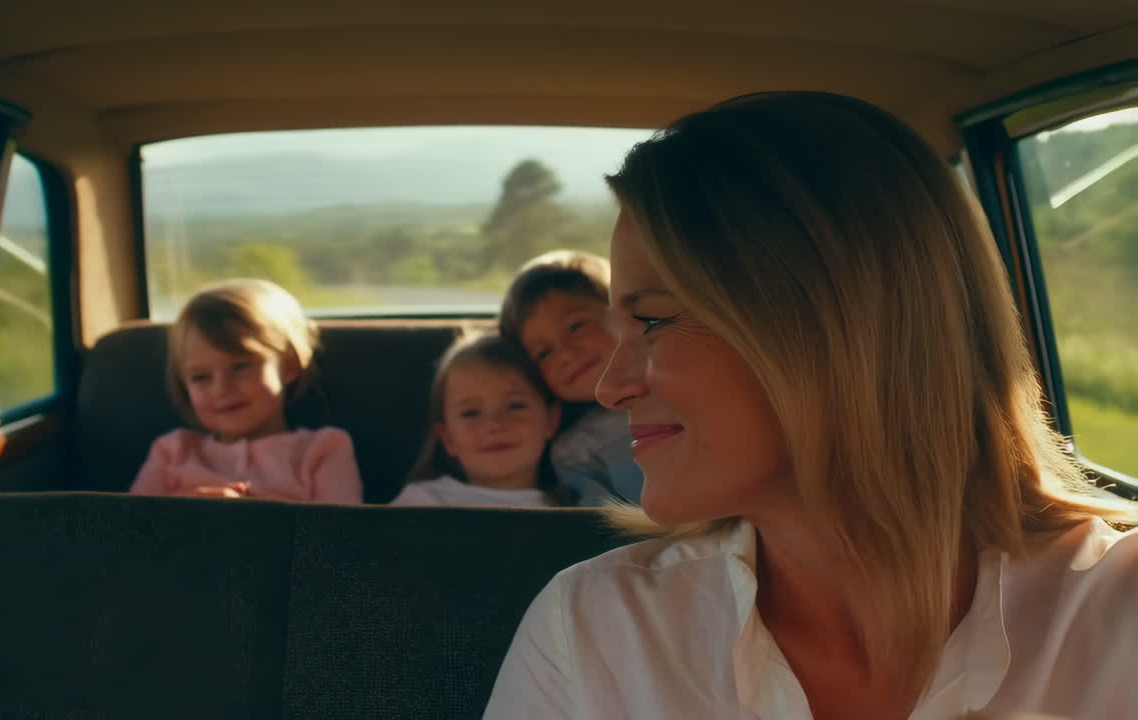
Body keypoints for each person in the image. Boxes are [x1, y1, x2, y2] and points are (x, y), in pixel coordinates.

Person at [484, 92, 1138, 719]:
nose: (611, 386)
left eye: (652, 320)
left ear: (837, 329)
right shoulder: (600, 629)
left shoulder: (1117, 615)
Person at [130, 279, 362, 503]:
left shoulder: (324, 450)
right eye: (201, 377)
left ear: (289, 365)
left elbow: (340, 536)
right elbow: (127, 529)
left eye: (241, 367)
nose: (221, 389)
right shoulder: (171, 451)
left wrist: (249, 521)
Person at [499, 250, 644, 505]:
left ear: (622, 312)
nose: (565, 353)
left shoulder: (682, 383)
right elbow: (601, 526)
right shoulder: (575, 450)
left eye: (576, 327)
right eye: (544, 353)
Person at [392, 332, 572, 507]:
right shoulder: (423, 503)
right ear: (448, 438)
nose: (495, 425)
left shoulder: (576, 509)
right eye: (471, 413)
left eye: (515, 406)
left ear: (551, 419)